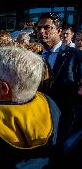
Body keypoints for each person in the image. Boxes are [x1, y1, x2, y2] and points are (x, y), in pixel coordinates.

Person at [37, 12, 82, 141]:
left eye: (46, 27)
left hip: (66, 121)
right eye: (39, 28)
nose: (41, 31)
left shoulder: (75, 55)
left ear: (58, 30)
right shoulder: (34, 57)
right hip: (39, 118)